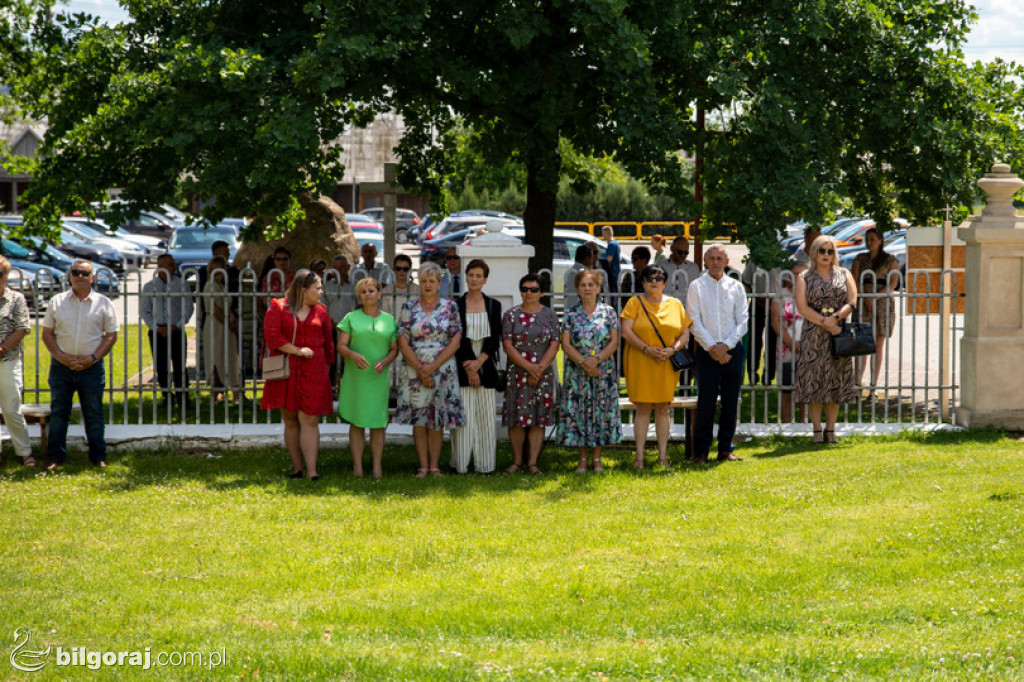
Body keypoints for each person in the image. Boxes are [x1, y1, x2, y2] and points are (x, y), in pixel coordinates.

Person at [40, 260, 119, 470]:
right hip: (61, 367)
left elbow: (111, 336)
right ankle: (55, 458)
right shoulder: (57, 302)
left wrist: (92, 358)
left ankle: (98, 457)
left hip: (91, 367)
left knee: (93, 412)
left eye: (85, 273)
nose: (80, 276)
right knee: (59, 413)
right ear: (70, 276)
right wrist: (60, 357)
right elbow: (47, 334)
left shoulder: (103, 303)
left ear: (92, 278)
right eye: (76, 272)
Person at [261, 269, 335, 480]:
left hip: (314, 371)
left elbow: (329, 345)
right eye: (317, 287)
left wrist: (327, 375)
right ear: (304, 290)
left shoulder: (321, 312)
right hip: (288, 371)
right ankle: (297, 469)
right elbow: (272, 336)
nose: (321, 292)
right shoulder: (278, 308)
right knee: (290, 419)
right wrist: (296, 351)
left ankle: (312, 471)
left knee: (309, 419)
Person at [396, 262, 465, 477]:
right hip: (414, 368)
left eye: (432, 281)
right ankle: (422, 466)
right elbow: (402, 340)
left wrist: (432, 368)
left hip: (442, 369)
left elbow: (455, 340)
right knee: (419, 418)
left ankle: (435, 467)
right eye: (424, 281)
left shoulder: (450, 307)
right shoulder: (408, 307)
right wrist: (420, 369)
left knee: (436, 419)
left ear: (438, 283)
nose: (427, 285)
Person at [621, 264, 691, 469]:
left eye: (659, 278)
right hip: (641, 360)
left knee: (663, 408)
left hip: (665, 362)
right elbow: (626, 331)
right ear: (643, 282)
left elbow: (685, 333)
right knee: (642, 408)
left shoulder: (676, 304)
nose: (654, 281)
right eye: (650, 278)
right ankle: (639, 458)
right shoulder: (634, 302)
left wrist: (672, 349)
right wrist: (646, 349)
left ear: (665, 283)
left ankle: (663, 457)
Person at [686, 244, 749, 463]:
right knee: (706, 401)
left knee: (731, 401)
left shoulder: (736, 287)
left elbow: (742, 321)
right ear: (705, 261)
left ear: (726, 261)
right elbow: (693, 321)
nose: (715, 262)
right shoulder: (696, 286)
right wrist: (713, 347)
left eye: (719, 258)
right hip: (706, 350)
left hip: (732, 350)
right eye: (711, 258)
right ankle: (701, 452)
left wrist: (726, 346)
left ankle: (725, 449)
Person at [795, 235, 858, 444]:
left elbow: (852, 300)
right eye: (822, 250)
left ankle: (830, 430)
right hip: (813, 335)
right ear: (814, 252)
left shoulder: (844, 273)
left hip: (838, 335)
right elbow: (802, 308)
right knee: (814, 382)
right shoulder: (804, 276)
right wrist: (825, 322)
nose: (826, 255)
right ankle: (816, 430)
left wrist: (835, 320)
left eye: (830, 251)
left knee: (835, 381)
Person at [556, 269, 621, 472]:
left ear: (598, 288)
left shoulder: (608, 312)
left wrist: (597, 360)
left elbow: (614, 341)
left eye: (590, 284)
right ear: (577, 289)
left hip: (603, 371)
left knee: (600, 412)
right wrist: (585, 362)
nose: (587, 288)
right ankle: (582, 459)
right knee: (580, 413)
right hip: (577, 372)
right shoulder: (570, 314)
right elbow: (565, 344)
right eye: (583, 285)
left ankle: (597, 459)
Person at [337, 277, 398, 479]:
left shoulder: (389, 320)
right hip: (357, 378)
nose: (368, 294)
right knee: (357, 421)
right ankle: (358, 467)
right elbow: (341, 346)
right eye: (363, 292)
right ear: (359, 296)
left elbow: (394, 349)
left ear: (379, 294)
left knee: (378, 422)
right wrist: (353, 355)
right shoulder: (350, 318)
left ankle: (377, 467)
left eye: (372, 290)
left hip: (378, 377)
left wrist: (386, 361)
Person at [502, 274, 560, 475]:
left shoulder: (550, 315)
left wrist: (539, 369)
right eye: (525, 289)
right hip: (517, 373)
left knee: (538, 418)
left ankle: (533, 463)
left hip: (542, 374)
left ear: (541, 293)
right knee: (517, 418)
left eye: (534, 289)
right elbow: (507, 345)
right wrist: (529, 368)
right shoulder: (510, 315)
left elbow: (554, 344)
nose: (529, 293)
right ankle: (517, 461)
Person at [452, 259, 503, 474]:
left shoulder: (493, 305)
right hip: (462, 366)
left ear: (485, 280)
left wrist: (480, 362)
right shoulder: (455, 305)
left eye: (479, 276)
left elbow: (494, 338)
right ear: (466, 276)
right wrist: (469, 367)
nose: (474, 279)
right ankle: (460, 465)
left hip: (486, 365)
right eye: (471, 275)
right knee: (463, 419)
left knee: (485, 420)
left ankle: (486, 466)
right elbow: (456, 338)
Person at [851, 227, 899, 400]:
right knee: (861, 345)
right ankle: (857, 385)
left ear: (880, 240)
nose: (869, 242)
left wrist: (876, 297)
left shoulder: (890, 260)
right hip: (863, 303)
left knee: (878, 344)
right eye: (867, 239)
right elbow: (854, 281)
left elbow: (892, 284)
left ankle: (873, 387)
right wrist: (863, 298)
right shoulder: (859, 259)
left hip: (882, 304)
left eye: (872, 239)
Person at [140, 254, 194, 409]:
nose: (174, 267)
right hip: (157, 331)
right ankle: (166, 396)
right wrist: (156, 328)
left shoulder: (181, 284)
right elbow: (145, 311)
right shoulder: (150, 287)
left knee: (179, 366)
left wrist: (176, 325)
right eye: (170, 265)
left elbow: (188, 308)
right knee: (161, 366)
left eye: (174, 264)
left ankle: (182, 398)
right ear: (161, 266)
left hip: (175, 330)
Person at [0, 256, 34, 466]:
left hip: (8, 360)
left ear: (6, 275)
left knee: (11, 409)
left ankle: (25, 452)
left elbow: (22, 328)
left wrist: (2, 348)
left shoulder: (16, 299)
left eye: (0, 274)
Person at [769, 264, 806, 423]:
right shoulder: (781, 295)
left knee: (805, 387)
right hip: (785, 347)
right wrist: (791, 343)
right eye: (794, 273)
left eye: (801, 274)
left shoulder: (812, 294)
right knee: (786, 387)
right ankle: (786, 422)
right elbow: (775, 320)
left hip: (808, 346)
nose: (797, 277)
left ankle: (804, 422)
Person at [202, 256, 241, 402]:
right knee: (217, 357)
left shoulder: (220, 285)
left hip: (225, 324)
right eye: (224, 266)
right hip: (217, 326)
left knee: (230, 357)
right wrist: (230, 324)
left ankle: (231, 393)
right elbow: (215, 309)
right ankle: (217, 393)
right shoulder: (211, 286)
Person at [661, 236, 701, 302]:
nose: (683, 255)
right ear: (672, 249)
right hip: (666, 307)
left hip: (687, 309)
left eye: (686, 253)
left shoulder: (693, 268)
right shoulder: (661, 267)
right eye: (680, 252)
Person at [600, 225, 621, 292]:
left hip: (613, 271)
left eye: (603, 234)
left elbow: (609, 258)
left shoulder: (611, 244)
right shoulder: (615, 242)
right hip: (616, 270)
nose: (603, 236)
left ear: (608, 234)